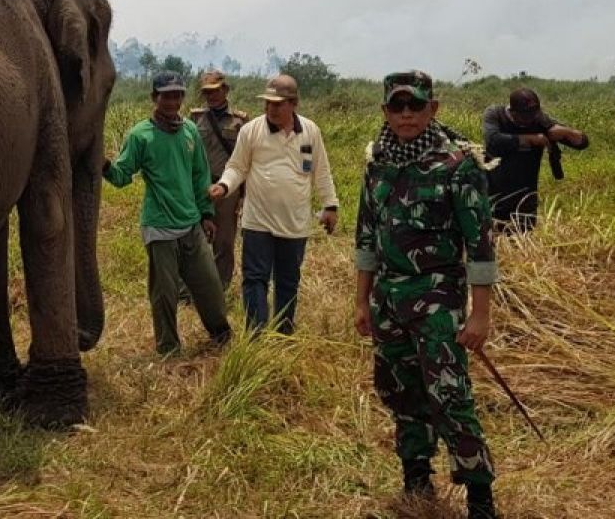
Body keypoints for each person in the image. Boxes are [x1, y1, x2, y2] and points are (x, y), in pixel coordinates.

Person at [353, 70, 499, 519]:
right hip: (388, 299)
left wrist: (479, 315)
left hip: (437, 298)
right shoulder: (378, 161)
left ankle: (479, 494)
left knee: (450, 394)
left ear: (432, 108)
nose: (406, 114)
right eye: (397, 106)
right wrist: (361, 300)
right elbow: (365, 237)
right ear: (385, 112)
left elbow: (480, 245)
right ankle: (416, 477)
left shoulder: (458, 165)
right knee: (400, 391)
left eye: (415, 105)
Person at [104, 70, 232, 355]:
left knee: (209, 286)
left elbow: (200, 175)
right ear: (154, 98)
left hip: (191, 224)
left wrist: (207, 214)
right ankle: (169, 348)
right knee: (165, 294)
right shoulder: (140, 135)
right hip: (159, 226)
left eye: (177, 95)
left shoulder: (189, 131)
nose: (173, 101)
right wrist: (102, 164)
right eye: (166, 96)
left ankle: (222, 336)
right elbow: (121, 176)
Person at [208, 74, 338, 335]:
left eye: (278, 104)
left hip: (294, 224)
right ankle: (256, 335)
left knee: (288, 281)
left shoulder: (310, 131)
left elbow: (321, 171)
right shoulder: (251, 130)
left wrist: (330, 206)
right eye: (267, 103)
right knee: (255, 278)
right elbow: (236, 167)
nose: (271, 109)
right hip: (258, 221)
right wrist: (224, 186)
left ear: (294, 104)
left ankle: (283, 334)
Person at [482, 87, 589, 232]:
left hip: (525, 196)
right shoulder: (495, 114)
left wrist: (567, 132)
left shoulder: (540, 121)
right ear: (513, 112)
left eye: (533, 116)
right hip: (494, 191)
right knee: (493, 237)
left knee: (523, 239)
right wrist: (530, 139)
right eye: (525, 117)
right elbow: (493, 141)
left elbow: (581, 143)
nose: (529, 121)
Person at [189, 70, 248, 291]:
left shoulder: (239, 121)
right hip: (200, 188)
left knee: (223, 241)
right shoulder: (195, 119)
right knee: (196, 239)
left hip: (227, 189)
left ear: (225, 90)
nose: (211, 96)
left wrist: (244, 195)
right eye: (206, 92)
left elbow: (245, 161)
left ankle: (220, 288)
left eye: (215, 91)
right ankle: (196, 288)